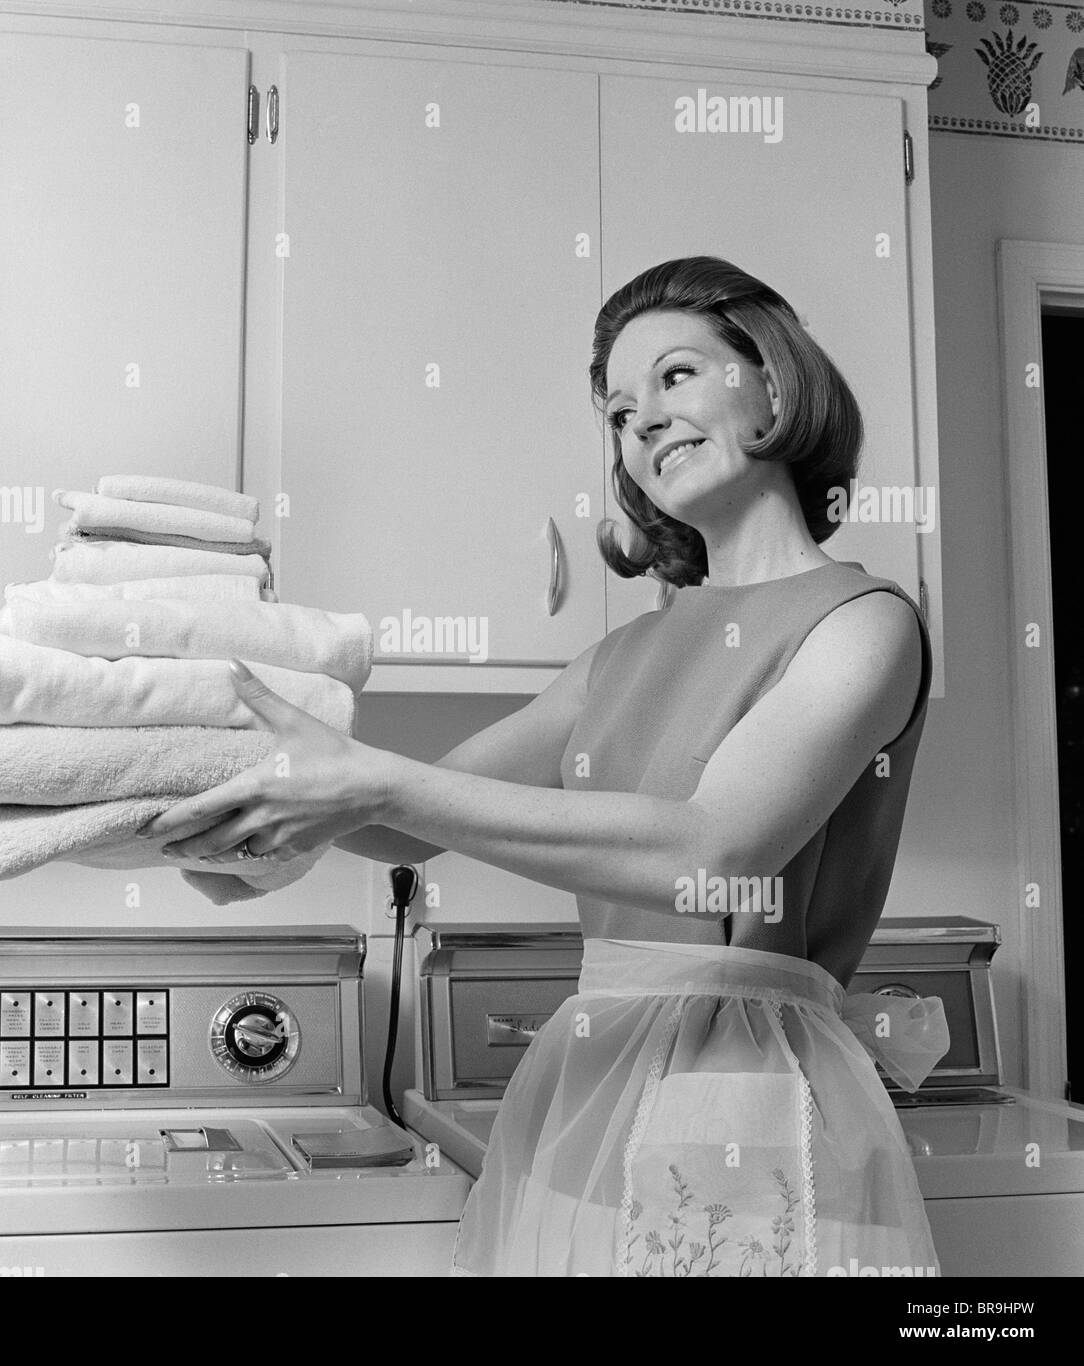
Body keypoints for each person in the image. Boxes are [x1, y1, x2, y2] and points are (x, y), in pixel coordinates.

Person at [137, 256, 948, 1277]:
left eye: (676, 376)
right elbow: (409, 820)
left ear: (772, 386)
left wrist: (365, 782)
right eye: (616, 410)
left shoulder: (865, 624)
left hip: (752, 1095)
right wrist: (241, 812)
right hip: (589, 1088)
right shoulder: (613, 660)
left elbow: (714, 845)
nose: (640, 421)